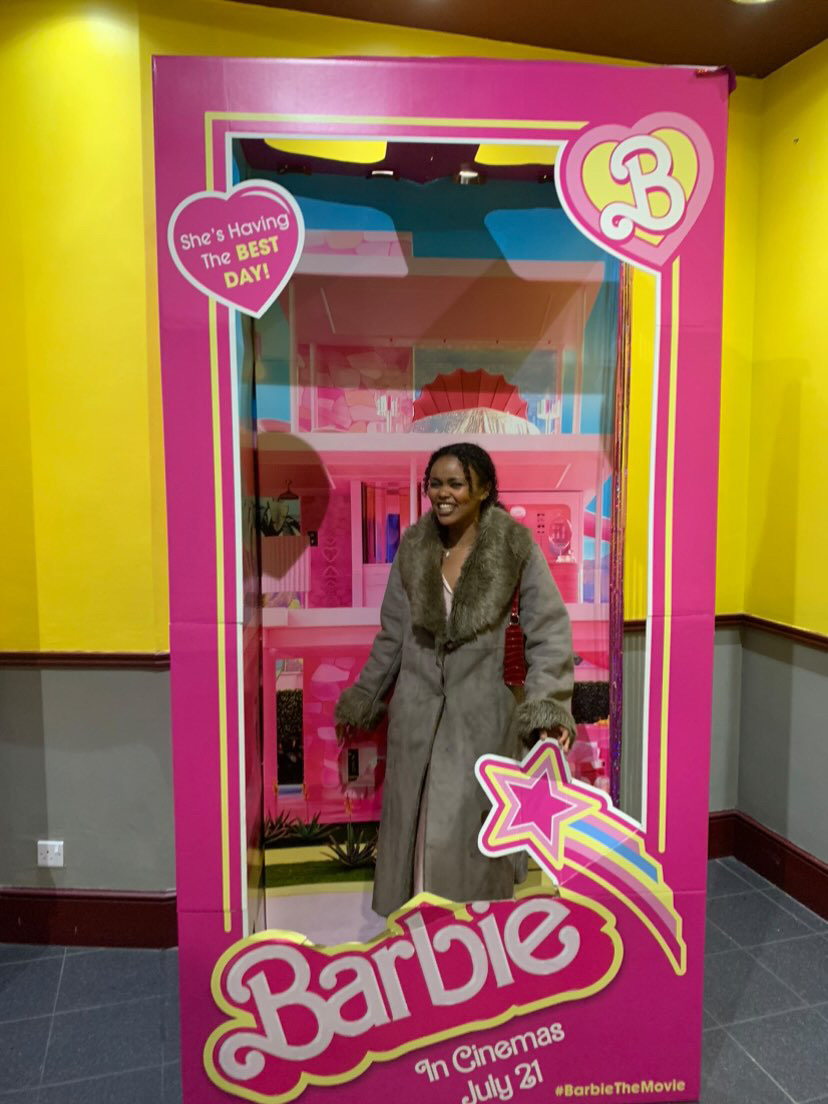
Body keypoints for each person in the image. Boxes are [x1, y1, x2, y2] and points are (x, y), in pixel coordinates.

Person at [335, 443, 576, 917]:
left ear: (483, 489)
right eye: (435, 484)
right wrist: (366, 696)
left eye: (456, 484)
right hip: (416, 722)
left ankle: (472, 942)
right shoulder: (414, 548)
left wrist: (548, 704)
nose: (442, 494)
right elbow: (392, 636)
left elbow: (549, 633)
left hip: (482, 725)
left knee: (471, 845)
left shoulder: (514, 548)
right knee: (418, 838)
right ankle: (421, 941)